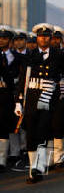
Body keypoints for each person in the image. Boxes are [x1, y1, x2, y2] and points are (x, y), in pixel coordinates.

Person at [15, 23, 64, 184]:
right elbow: (23, 80)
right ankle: (34, 168)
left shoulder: (58, 55)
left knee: (42, 132)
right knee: (31, 133)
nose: (43, 39)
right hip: (32, 98)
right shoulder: (29, 55)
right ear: (37, 38)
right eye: (40, 36)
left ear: (51, 38)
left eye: (46, 36)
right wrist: (18, 101)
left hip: (49, 99)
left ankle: (38, 167)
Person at [0, 26, 22, 172]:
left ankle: (2, 160)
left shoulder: (17, 57)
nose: (2, 41)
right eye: (0, 38)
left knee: (4, 126)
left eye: (5, 38)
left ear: (10, 41)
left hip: (9, 96)